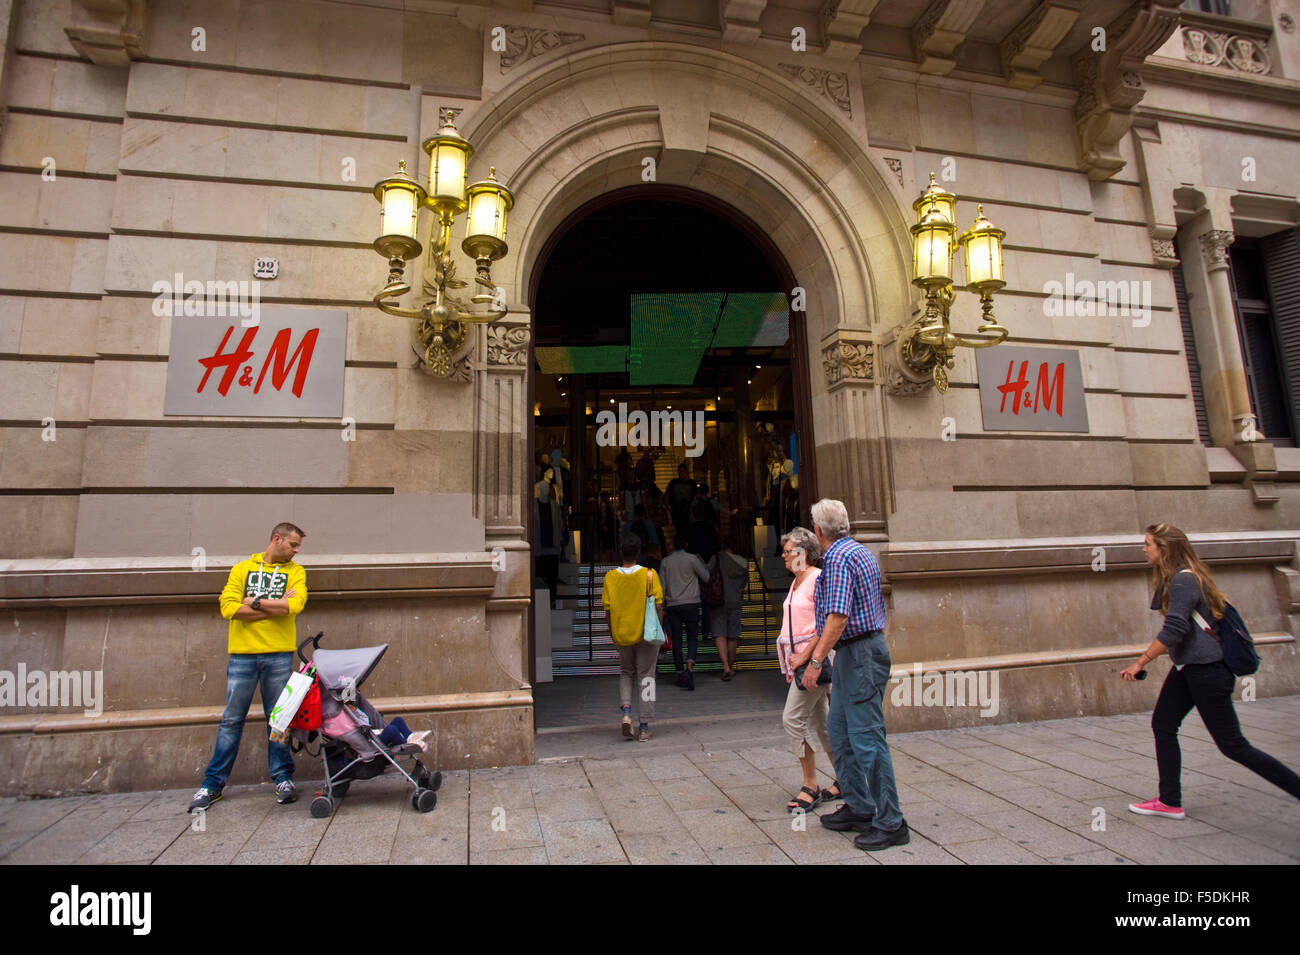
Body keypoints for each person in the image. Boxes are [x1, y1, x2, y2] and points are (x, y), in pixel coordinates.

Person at [1121, 522, 1300, 817]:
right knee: (1163, 724)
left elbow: (1175, 628)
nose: (1143, 549)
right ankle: (1169, 801)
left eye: (1148, 544)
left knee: (1234, 746)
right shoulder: (1178, 578)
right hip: (1188, 669)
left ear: (1164, 549)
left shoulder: (1183, 580)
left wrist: (1141, 661)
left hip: (1207, 671)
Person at [801, 498, 908, 851]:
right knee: (840, 730)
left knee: (866, 738)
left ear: (818, 532)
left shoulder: (836, 559)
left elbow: (838, 617)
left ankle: (891, 822)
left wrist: (815, 663)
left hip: (859, 653)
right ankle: (860, 808)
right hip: (856, 652)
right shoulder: (859, 551)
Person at [188, 523, 308, 812]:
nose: (295, 551)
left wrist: (252, 602)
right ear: (276, 539)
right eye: (292, 545)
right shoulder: (242, 569)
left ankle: (282, 777)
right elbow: (228, 608)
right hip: (242, 656)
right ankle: (213, 784)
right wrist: (272, 605)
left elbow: (294, 606)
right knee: (231, 720)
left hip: (279, 654)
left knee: (278, 719)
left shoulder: (296, 572)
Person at [777, 526, 840, 811]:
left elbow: (827, 623)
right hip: (800, 664)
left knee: (792, 720)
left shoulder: (816, 579)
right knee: (823, 725)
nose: (784, 556)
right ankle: (846, 777)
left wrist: (805, 656)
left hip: (811, 664)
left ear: (803, 553)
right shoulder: (796, 582)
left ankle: (810, 783)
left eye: (788, 551)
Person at [601, 534, 664, 741]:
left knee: (626, 672)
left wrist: (613, 632)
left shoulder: (610, 578)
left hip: (622, 633)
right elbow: (659, 604)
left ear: (621, 551)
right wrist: (659, 628)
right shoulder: (649, 574)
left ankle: (626, 712)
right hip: (646, 633)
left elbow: (607, 610)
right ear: (639, 552)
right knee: (647, 676)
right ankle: (644, 726)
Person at [661, 535, 710, 690]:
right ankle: (689, 668)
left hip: (672, 604)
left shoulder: (665, 562)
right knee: (692, 637)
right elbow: (706, 577)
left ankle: (680, 672)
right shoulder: (692, 559)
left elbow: (661, 587)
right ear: (686, 543)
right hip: (691, 603)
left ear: (672, 546)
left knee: (676, 639)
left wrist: (661, 605)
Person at [708, 527, 750, 680]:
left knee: (719, 633)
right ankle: (730, 667)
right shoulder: (744, 562)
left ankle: (725, 665)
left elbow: (707, 575)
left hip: (719, 600)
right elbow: (744, 583)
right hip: (736, 600)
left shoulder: (717, 558)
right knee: (733, 636)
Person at [666, 463, 695, 534]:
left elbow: (695, 497)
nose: (682, 473)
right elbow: (667, 494)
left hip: (688, 511)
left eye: (683, 471)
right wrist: (668, 505)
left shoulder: (691, 483)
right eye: (680, 471)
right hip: (676, 511)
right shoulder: (673, 482)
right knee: (679, 530)